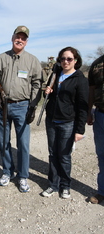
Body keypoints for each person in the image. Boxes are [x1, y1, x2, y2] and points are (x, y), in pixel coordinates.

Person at [0, 26, 42, 192]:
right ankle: (7, 171)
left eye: (23, 38)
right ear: (12, 38)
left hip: (23, 106)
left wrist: (33, 106)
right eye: (17, 36)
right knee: (4, 141)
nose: (19, 40)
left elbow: (37, 83)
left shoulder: (32, 60)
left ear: (26, 41)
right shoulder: (1, 58)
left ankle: (23, 176)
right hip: (3, 106)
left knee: (23, 143)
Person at [41, 47, 88, 199]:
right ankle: (52, 185)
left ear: (75, 60)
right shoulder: (55, 75)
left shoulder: (80, 79)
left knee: (64, 155)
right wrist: (47, 91)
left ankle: (65, 185)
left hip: (68, 123)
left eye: (69, 59)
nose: (65, 61)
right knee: (53, 154)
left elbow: (82, 106)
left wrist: (80, 130)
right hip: (51, 121)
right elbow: (48, 94)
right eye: (62, 59)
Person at [87, 54, 104, 204]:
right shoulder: (97, 64)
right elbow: (91, 89)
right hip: (100, 115)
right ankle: (102, 191)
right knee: (102, 154)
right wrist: (89, 112)